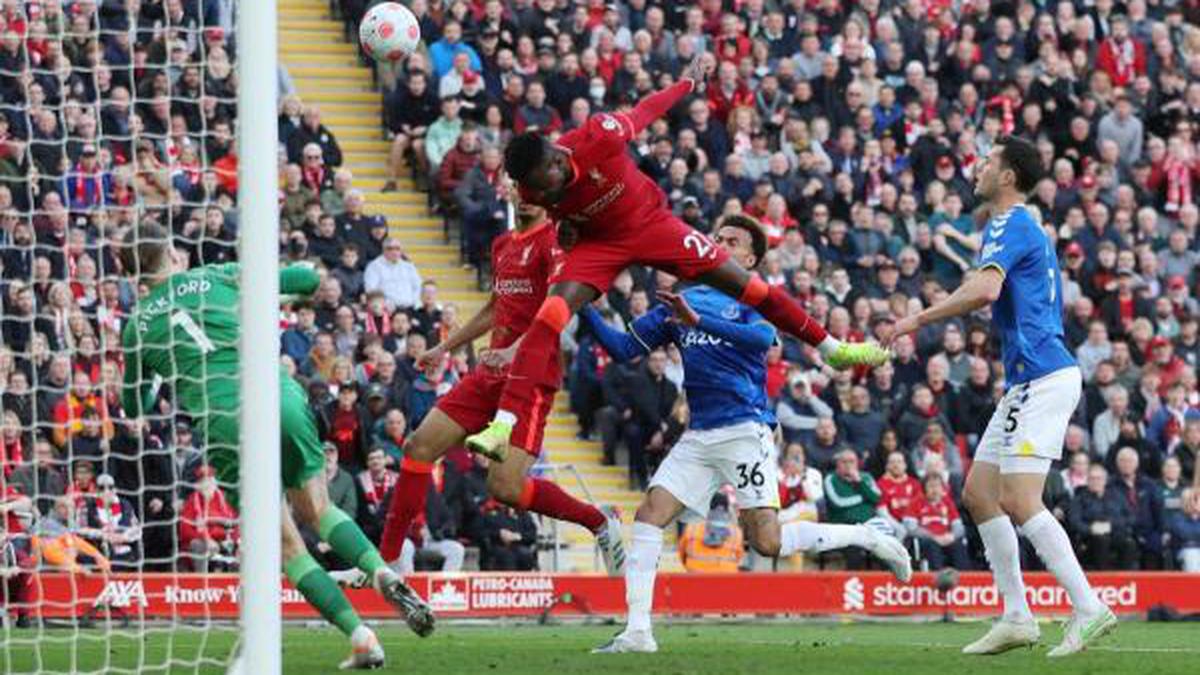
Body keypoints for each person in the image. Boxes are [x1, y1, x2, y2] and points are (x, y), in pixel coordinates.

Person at [464, 56, 890, 463]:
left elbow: (648, 109)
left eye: (547, 184)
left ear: (558, 159)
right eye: (537, 190)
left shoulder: (600, 136)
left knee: (752, 287)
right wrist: (566, 227)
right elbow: (559, 215)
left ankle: (833, 349)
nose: (545, 194)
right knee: (549, 315)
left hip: (651, 225)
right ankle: (503, 425)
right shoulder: (535, 185)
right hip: (599, 244)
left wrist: (688, 82)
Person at [588, 216, 909, 654]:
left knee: (767, 541)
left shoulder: (754, 297)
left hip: (745, 428)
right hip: (699, 434)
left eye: (731, 241)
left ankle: (867, 536)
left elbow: (761, 341)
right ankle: (638, 632)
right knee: (649, 516)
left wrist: (698, 320)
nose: (719, 244)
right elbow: (623, 348)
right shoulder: (680, 300)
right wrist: (579, 302)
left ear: (750, 258)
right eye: (716, 238)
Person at [118, 223, 432, 670]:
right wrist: (277, 281)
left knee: (286, 544)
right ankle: (380, 571)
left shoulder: (136, 327)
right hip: (276, 394)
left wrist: (152, 377)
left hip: (225, 420)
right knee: (319, 510)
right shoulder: (216, 274)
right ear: (171, 252)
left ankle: (361, 637)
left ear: (135, 275)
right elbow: (307, 280)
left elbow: (134, 404)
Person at [888, 136, 1115, 656]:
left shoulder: (1009, 222)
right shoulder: (1017, 224)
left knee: (1018, 498)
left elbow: (985, 291)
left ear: (1007, 176)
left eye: (988, 160)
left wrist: (917, 319)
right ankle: (1016, 615)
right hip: (1029, 379)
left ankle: (1088, 606)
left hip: (1042, 376)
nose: (979, 166)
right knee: (979, 494)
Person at [376, 189, 624, 580]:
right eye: (519, 189)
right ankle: (387, 562)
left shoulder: (553, 244)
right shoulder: (502, 244)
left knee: (505, 487)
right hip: (489, 374)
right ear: (507, 190)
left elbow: (555, 311)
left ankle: (599, 522)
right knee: (418, 446)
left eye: (533, 191)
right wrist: (443, 347)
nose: (526, 198)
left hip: (532, 377)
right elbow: (495, 308)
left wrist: (515, 353)